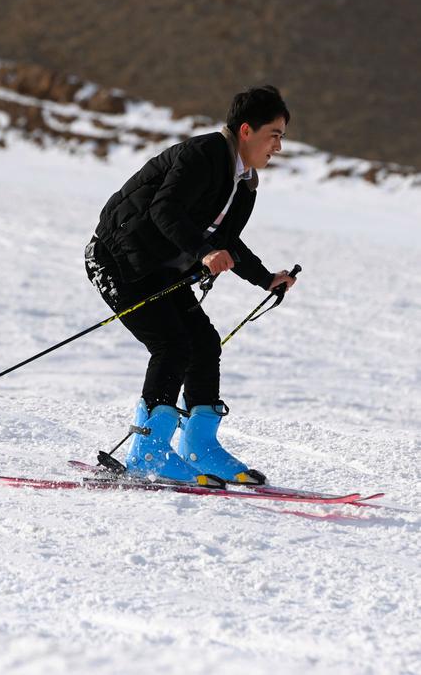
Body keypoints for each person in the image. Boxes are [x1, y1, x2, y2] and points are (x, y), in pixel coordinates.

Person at [85, 85, 296, 485]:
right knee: (172, 344)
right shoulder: (203, 155)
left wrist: (266, 278)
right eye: (276, 135)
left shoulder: (244, 182)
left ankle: (200, 447)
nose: (279, 147)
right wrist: (202, 252)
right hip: (118, 261)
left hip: (158, 269)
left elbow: (226, 239)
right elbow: (164, 210)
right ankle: (148, 452)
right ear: (247, 130)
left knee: (203, 342)